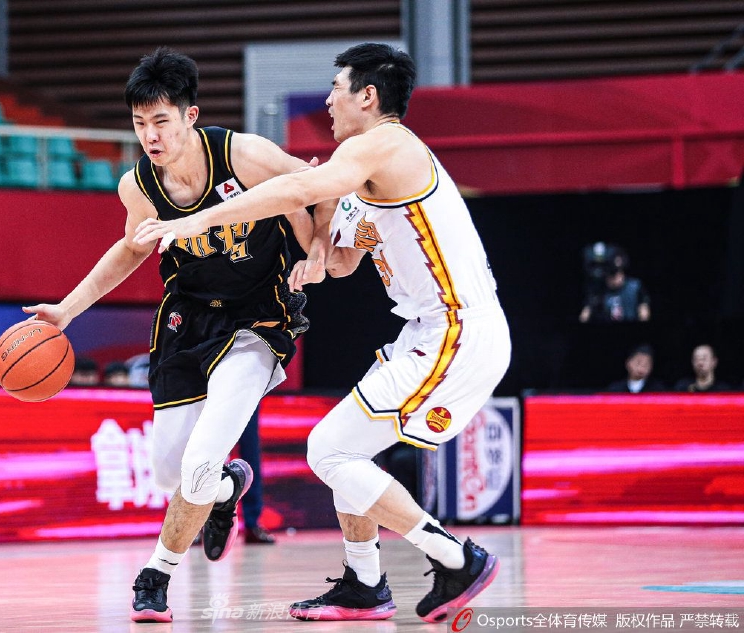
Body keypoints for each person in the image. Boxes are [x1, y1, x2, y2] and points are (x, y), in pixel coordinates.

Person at [136, 43, 510, 623]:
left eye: (337, 88)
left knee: (330, 450)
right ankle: (365, 583)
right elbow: (338, 261)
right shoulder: (363, 172)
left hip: (457, 330)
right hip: (428, 332)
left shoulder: (386, 142)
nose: (329, 101)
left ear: (368, 96)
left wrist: (199, 220)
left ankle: (455, 558)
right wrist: (315, 252)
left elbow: (295, 192)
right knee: (343, 447)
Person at [22, 47, 314, 623]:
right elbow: (129, 250)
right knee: (168, 472)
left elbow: (314, 187)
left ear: (190, 116)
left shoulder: (243, 155)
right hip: (187, 319)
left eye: (161, 121)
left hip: (257, 317)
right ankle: (227, 489)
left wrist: (317, 251)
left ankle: (155, 575)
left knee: (200, 458)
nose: (150, 135)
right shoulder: (138, 186)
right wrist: (68, 310)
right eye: (139, 124)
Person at [579, 245, 650, 323]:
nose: (611, 279)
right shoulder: (598, 291)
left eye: (614, 274)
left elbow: (644, 313)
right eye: (608, 275)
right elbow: (585, 315)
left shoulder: (635, 286)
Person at [237, 406, 274, 544]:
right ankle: (198, 524)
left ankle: (252, 523)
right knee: (209, 452)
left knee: (250, 452)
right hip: (210, 394)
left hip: (246, 395)